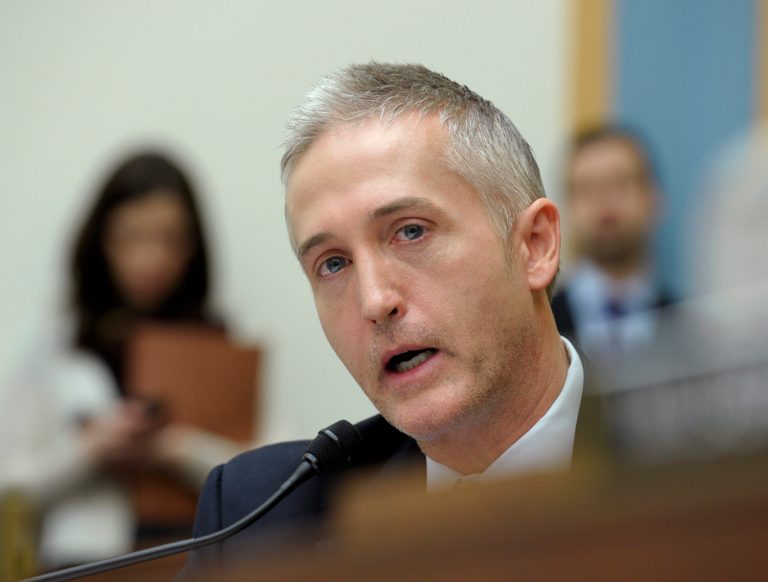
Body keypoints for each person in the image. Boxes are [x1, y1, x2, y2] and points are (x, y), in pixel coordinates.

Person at [185, 62, 585, 571]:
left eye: (410, 232)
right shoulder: (261, 517)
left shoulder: (696, 463)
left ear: (535, 245)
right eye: (332, 264)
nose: (374, 301)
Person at [0, 152, 248, 568]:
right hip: (77, 565)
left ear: (193, 246)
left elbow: (273, 470)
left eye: (170, 238)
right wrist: (89, 449)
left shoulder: (219, 345)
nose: (151, 259)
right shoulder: (58, 346)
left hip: (189, 560)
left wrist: (175, 449)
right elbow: (9, 482)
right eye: (131, 237)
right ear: (101, 241)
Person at [551, 126, 675, 362]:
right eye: (588, 189)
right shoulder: (541, 323)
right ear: (566, 206)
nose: (605, 202)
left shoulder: (688, 327)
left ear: (653, 198)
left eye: (621, 184)